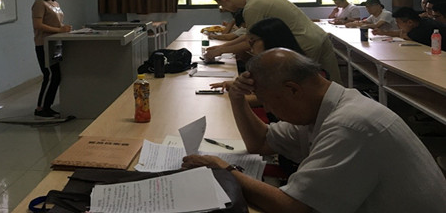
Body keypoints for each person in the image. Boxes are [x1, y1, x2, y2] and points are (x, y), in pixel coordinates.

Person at [182, 48, 446, 213]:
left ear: (292, 90)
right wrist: (237, 99)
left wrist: (223, 169)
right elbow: (260, 142)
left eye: (267, 102)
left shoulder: (349, 125)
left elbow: (293, 208)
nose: (269, 110)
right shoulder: (325, 107)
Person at [210, 0, 342, 85]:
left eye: (220, 4)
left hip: (304, 42)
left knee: (302, 84)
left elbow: (250, 41)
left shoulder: (252, 8)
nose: (224, 8)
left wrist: (220, 51)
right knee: (333, 83)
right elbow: (248, 35)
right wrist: (222, 47)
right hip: (319, 36)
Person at [31, 0, 72, 118]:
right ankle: (41, 108)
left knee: (57, 76)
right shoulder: (39, 3)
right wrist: (60, 30)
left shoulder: (55, 3)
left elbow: (55, 23)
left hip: (56, 43)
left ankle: (48, 106)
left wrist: (64, 28)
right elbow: (38, 25)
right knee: (49, 75)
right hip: (44, 44)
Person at [373, 7, 446, 50]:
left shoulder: (424, 29)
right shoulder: (420, 22)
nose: (397, 25)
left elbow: (404, 35)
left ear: (410, 22)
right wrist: (383, 32)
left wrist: (403, 34)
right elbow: (401, 33)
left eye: (398, 22)